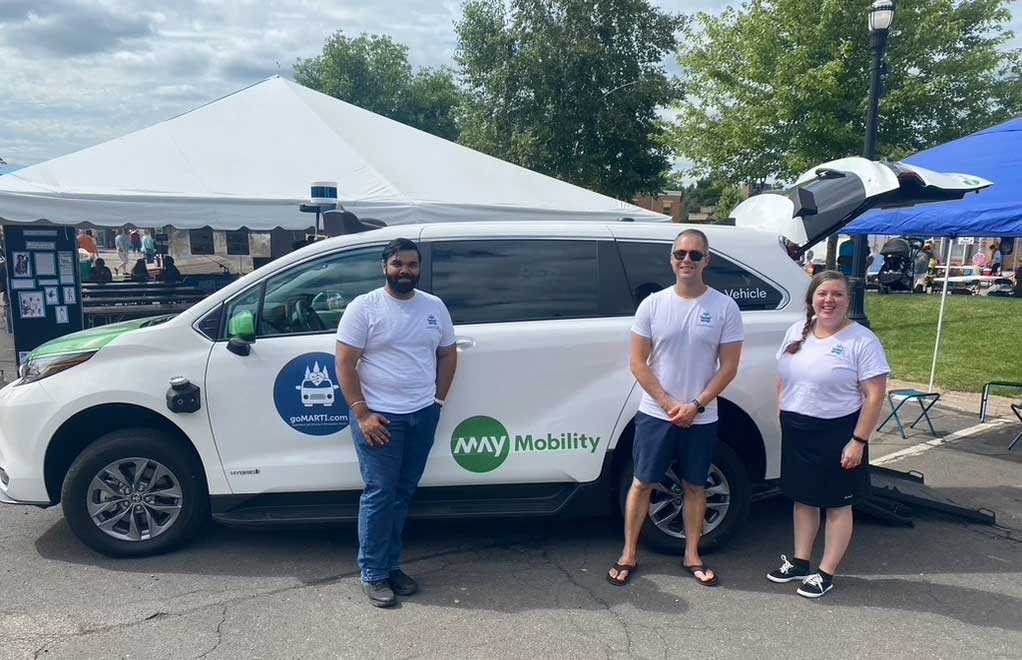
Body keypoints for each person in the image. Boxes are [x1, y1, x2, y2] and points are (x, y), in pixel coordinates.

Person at [607, 229, 744, 588]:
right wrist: (669, 405)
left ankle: (692, 554)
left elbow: (728, 367)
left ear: (706, 261)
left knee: (696, 485)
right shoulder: (652, 304)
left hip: (702, 415)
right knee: (642, 482)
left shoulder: (724, 307)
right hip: (657, 413)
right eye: (680, 253)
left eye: (695, 255)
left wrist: (695, 405)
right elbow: (639, 362)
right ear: (671, 259)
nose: (687, 260)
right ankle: (628, 553)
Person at [335, 238, 458, 608]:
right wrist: (362, 413)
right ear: (384, 266)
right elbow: (344, 362)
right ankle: (372, 573)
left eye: (411, 264)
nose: (405, 270)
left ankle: (391, 566)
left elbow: (448, 353)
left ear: (419, 268)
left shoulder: (433, 307)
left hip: (422, 414)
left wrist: (437, 401)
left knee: (402, 495)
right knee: (380, 495)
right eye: (397, 264)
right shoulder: (365, 307)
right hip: (380, 419)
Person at [766, 270, 889, 598]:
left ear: (847, 301)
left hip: (838, 432)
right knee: (803, 498)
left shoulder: (862, 340)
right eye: (822, 294)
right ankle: (800, 562)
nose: (829, 300)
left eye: (837, 294)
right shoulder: (797, 331)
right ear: (811, 300)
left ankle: (826, 572)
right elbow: (784, 374)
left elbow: (875, 394)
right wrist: (783, 407)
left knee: (837, 505)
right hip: (798, 430)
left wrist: (859, 441)